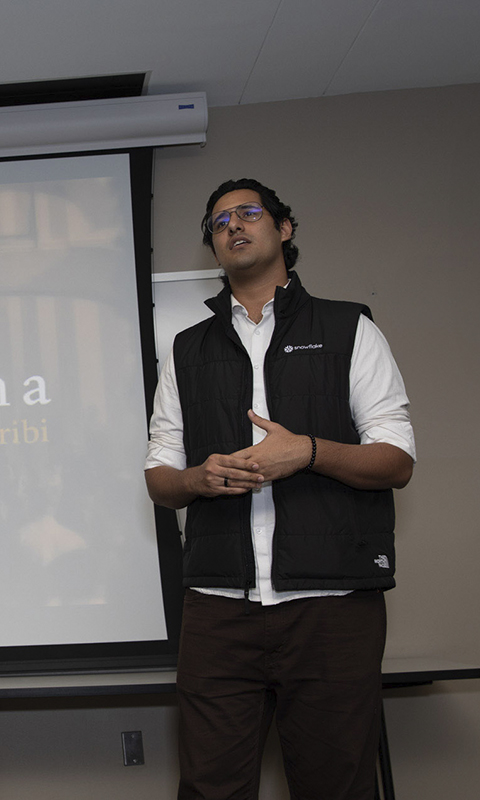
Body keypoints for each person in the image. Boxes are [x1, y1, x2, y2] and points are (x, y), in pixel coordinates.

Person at [144, 178, 415, 800]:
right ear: (213, 246)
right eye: (219, 222)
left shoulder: (351, 329)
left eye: (248, 213)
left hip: (332, 604)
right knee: (210, 787)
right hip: (217, 607)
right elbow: (161, 476)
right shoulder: (188, 350)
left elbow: (396, 459)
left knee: (336, 785)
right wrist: (197, 478)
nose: (234, 226)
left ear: (284, 229)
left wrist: (308, 452)